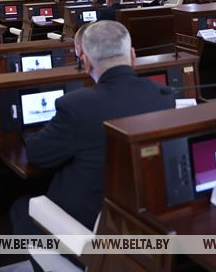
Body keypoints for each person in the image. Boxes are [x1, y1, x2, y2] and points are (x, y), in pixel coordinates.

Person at [10, 21, 175, 235]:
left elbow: (37, 155)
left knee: (20, 206)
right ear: (132, 56)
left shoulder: (76, 105)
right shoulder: (164, 96)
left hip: (86, 226)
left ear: (86, 62)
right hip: (137, 218)